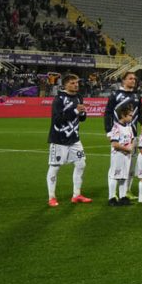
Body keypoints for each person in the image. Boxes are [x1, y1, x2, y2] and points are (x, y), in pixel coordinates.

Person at [46, 73, 92, 206]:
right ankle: (51, 197)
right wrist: (76, 111)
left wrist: (82, 113)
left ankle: (76, 195)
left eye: (77, 82)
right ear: (65, 85)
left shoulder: (79, 97)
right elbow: (57, 120)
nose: (76, 85)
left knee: (81, 164)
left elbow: (81, 119)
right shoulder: (59, 99)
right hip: (59, 139)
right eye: (72, 83)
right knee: (55, 167)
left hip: (74, 139)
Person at [103, 71, 142, 197]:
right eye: (130, 78)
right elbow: (108, 113)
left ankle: (126, 191)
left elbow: (140, 113)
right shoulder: (115, 94)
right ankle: (113, 193)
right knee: (115, 165)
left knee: (130, 165)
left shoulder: (137, 95)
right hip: (118, 135)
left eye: (134, 79)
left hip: (133, 135)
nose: (133, 81)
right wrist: (109, 131)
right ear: (123, 80)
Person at [108, 104, 136, 207]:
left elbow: (132, 140)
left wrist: (131, 147)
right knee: (115, 176)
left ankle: (123, 197)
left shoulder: (129, 127)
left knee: (124, 176)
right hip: (118, 156)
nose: (132, 117)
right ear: (123, 115)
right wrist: (126, 149)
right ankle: (111, 198)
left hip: (126, 156)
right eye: (130, 115)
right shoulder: (116, 127)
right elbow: (114, 144)